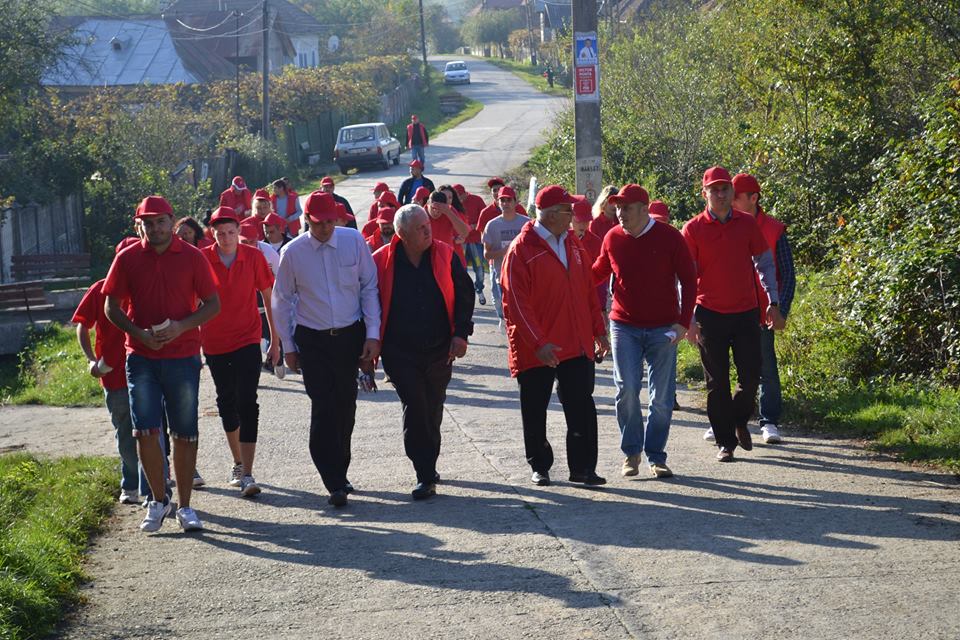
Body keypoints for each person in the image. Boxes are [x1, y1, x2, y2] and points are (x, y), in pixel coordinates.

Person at [103, 195, 221, 532]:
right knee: (144, 431)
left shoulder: (193, 257)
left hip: (183, 355)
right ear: (138, 224)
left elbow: (213, 304)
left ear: (172, 221)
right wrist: (137, 333)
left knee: (185, 432)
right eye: (148, 222)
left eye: (160, 221)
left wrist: (182, 326)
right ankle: (158, 499)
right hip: (140, 357)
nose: (155, 228)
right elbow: (111, 306)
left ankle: (185, 507)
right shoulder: (127, 259)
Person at [271, 191, 381, 507]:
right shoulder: (293, 252)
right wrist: (288, 347)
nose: (326, 229)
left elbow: (369, 288)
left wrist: (372, 335)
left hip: (349, 336)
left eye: (331, 222)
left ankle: (340, 470)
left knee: (346, 405)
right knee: (323, 405)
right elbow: (281, 301)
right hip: (313, 339)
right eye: (319, 224)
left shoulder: (353, 241)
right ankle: (331, 479)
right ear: (307, 221)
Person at [500, 185, 609, 487]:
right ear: (550, 215)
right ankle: (540, 465)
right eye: (568, 210)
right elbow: (515, 303)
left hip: (575, 341)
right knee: (535, 408)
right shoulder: (521, 250)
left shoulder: (573, 244)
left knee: (581, 405)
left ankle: (583, 468)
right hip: (538, 347)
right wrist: (539, 342)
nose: (573, 215)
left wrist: (598, 331)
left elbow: (588, 289)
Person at [592, 184, 697, 479]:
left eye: (625, 207)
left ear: (643, 208)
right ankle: (631, 452)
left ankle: (656, 456)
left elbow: (690, 281)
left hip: (664, 327)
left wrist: (683, 322)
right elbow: (598, 272)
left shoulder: (670, 237)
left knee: (662, 398)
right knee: (626, 388)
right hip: (624, 325)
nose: (619, 213)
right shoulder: (612, 238)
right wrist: (570, 280)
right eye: (617, 207)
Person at [372, 204, 474, 499]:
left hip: (439, 348)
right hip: (399, 351)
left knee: (432, 407)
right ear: (402, 234)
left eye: (427, 224)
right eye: (420, 228)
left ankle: (428, 462)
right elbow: (369, 303)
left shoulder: (445, 254)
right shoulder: (382, 261)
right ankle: (424, 473)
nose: (428, 230)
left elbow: (465, 295)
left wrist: (460, 334)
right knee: (415, 407)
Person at [681, 166, 782, 462]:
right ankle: (725, 442)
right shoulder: (693, 229)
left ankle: (739, 419)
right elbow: (685, 278)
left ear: (732, 193)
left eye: (725, 189)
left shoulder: (746, 224)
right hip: (709, 313)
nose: (721, 194)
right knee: (717, 383)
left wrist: (773, 301)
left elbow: (765, 263)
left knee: (751, 377)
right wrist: (687, 317)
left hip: (746, 311)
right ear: (705, 194)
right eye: (715, 189)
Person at [201, 207, 279, 497]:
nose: (226, 237)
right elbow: (191, 300)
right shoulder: (203, 259)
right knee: (226, 400)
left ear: (239, 231)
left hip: (248, 337)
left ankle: (247, 471)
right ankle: (236, 461)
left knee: (248, 400)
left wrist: (275, 338)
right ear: (212, 233)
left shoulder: (254, 256)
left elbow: (269, 298)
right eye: (220, 233)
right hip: (214, 340)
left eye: (231, 232)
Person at [722, 172, 796, 444]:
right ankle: (727, 422)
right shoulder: (725, 224)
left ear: (753, 198)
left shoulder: (775, 229)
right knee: (725, 367)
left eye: (736, 196)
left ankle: (769, 421)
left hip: (763, 310)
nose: (729, 201)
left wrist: (781, 308)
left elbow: (787, 273)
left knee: (765, 366)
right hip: (728, 307)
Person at [74, 273, 140, 505]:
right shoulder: (101, 288)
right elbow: (82, 325)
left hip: (147, 371)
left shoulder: (148, 285)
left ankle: (155, 483)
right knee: (124, 431)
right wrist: (92, 360)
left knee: (153, 429)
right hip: (113, 374)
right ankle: (131, 483)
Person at [481, 186, 528, 331]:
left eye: (509, 200)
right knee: (502, 305)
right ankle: (505, 322)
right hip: (501, 274)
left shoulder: (526, 223)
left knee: (522, 307)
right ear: (498, 202)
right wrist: (503, 252)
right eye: (502, 200)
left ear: (515, 202)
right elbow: (487, 254)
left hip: (523, 275)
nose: (505, 203)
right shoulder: (492, 225)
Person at [454, 183, 488, 305]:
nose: (459, 199)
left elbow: (485, 216)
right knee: (461, 269)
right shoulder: (452, 204)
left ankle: (479, 288)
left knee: (479, 268)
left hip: (474, 240)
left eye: (460, 196)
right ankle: (463, 292)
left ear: (464, 193)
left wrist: (475, 226)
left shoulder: (476, 200)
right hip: (460, 242)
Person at [430, 186, 470, 265]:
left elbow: (464, 233)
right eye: (444, 196)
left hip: (452, 257)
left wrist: (448, 212)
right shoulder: (422, 213)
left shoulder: (453, 211)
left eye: (450, 197)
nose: (447, 200)